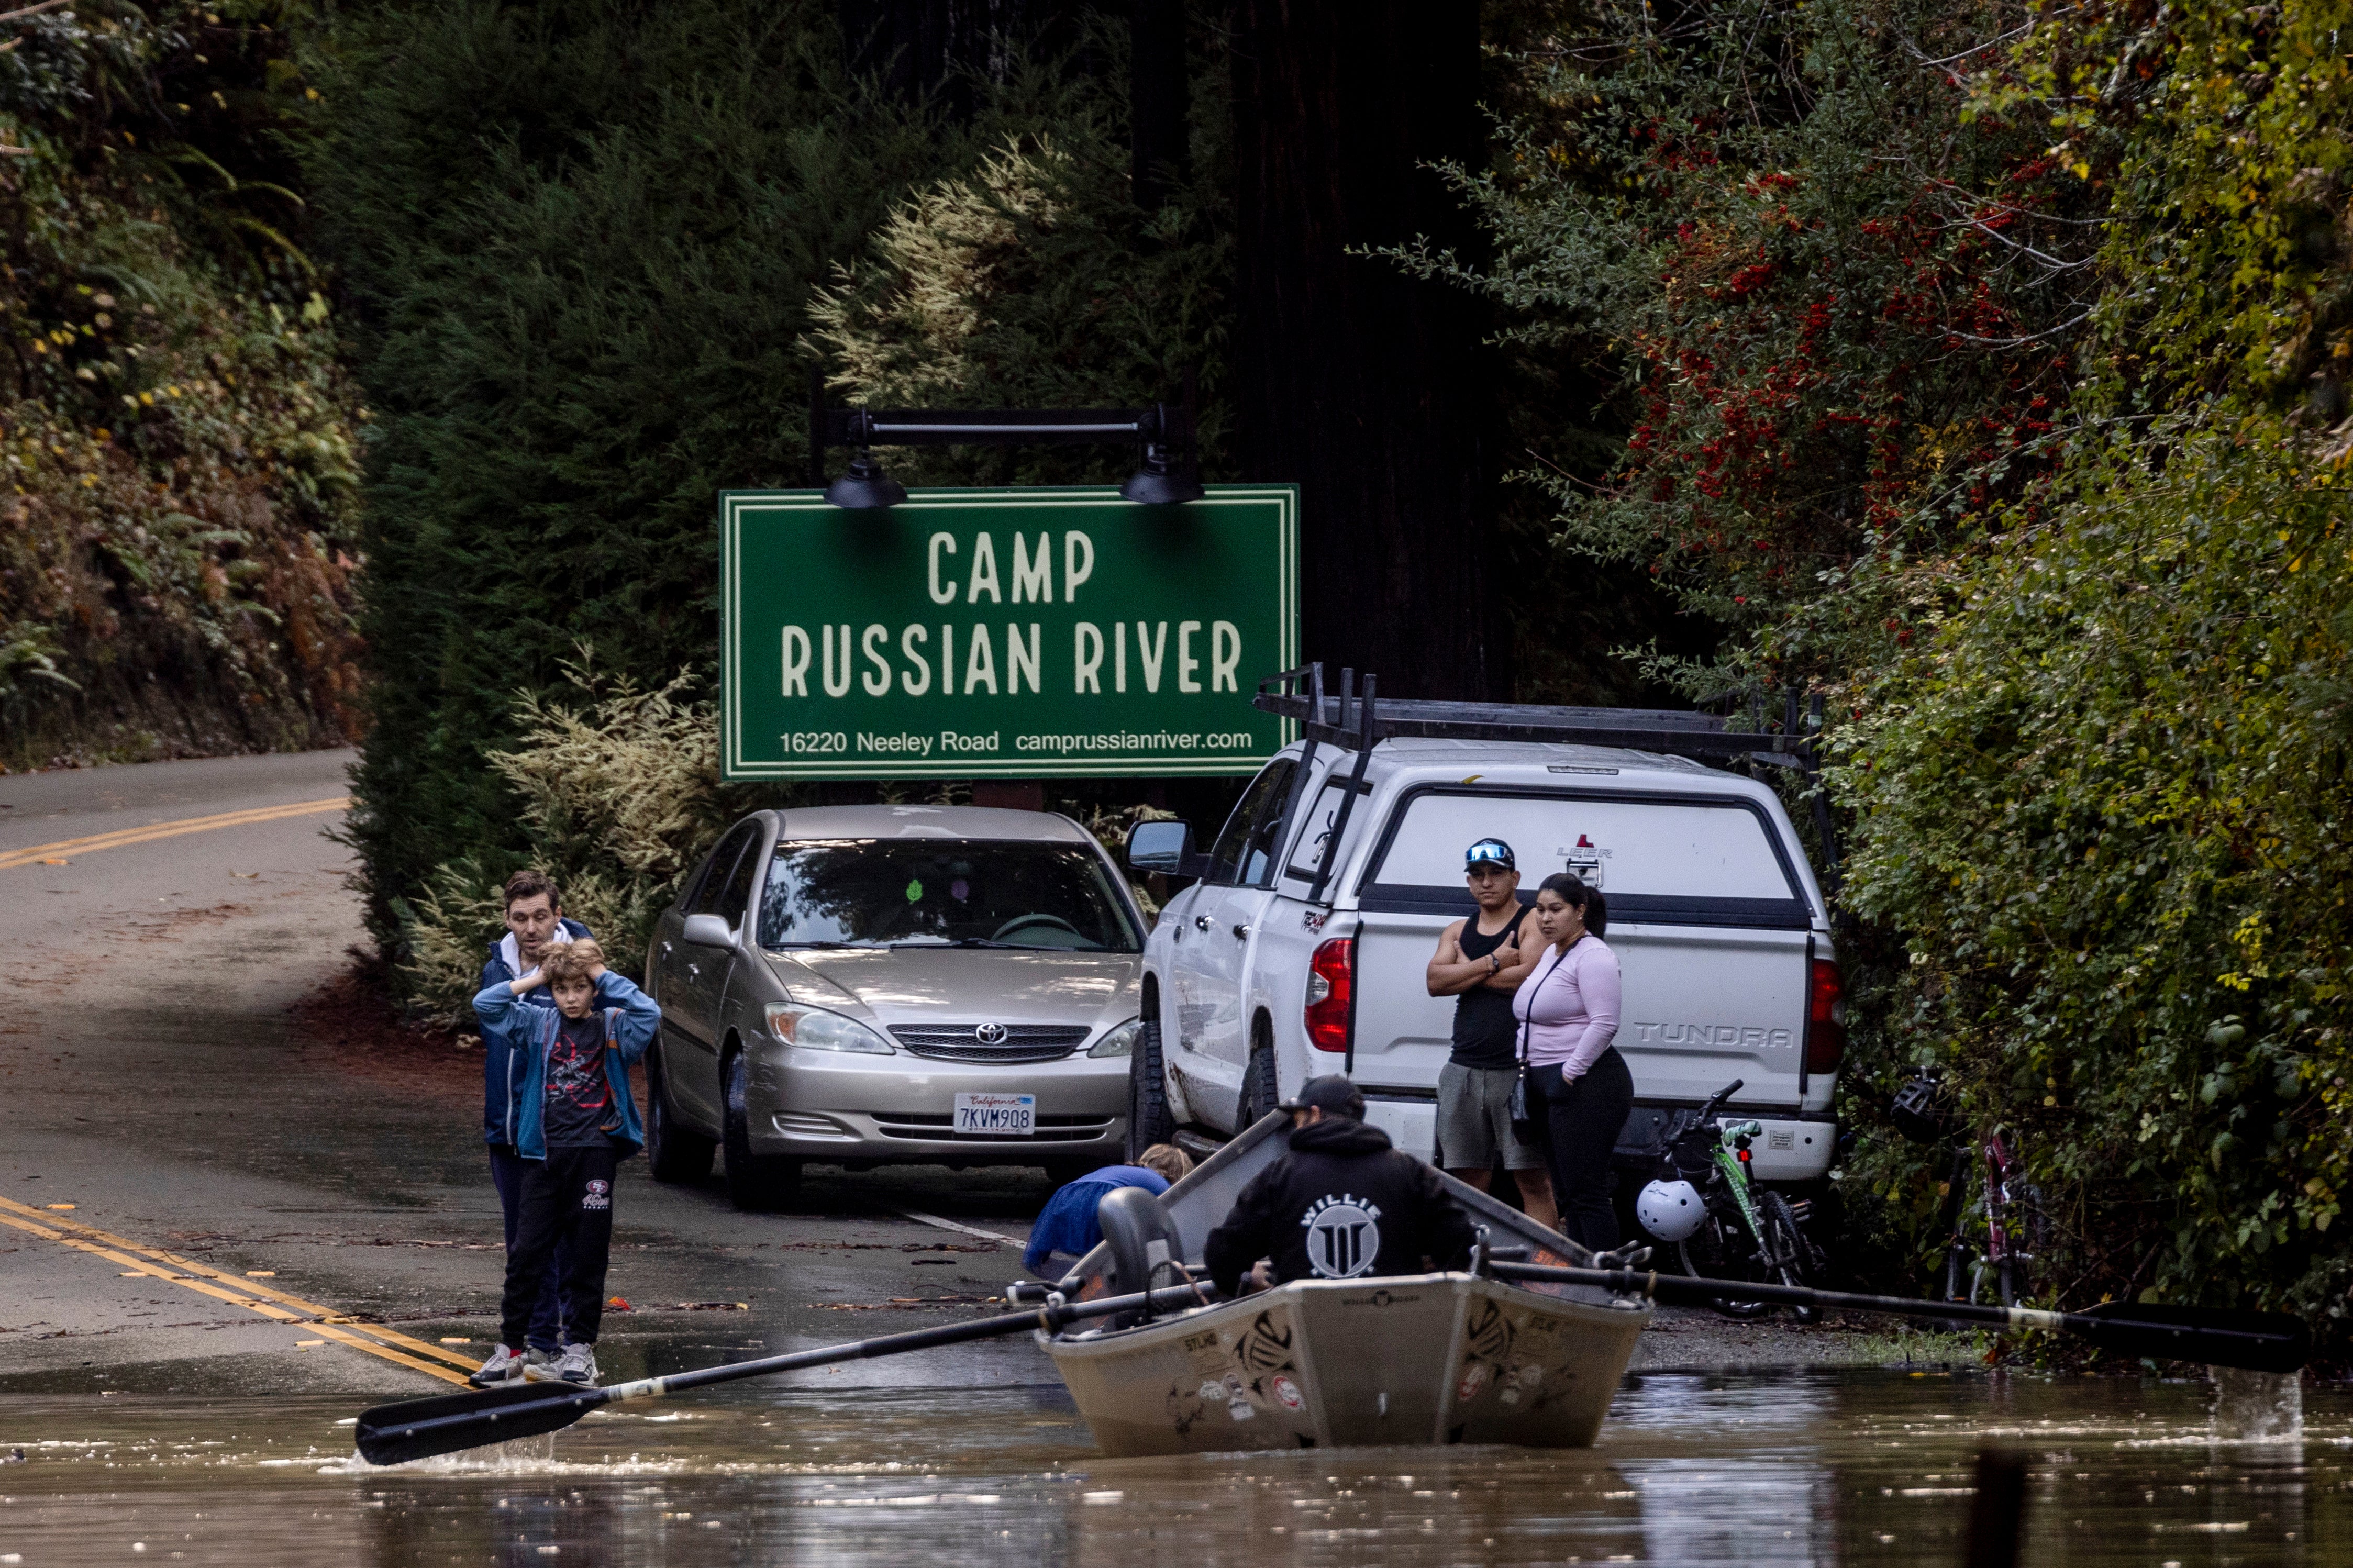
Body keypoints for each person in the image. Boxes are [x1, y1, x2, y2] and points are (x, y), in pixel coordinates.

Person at [469, 938, 659, 1387]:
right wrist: (538, 975)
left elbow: (649, 1012)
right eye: (561, 989)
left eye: (580, 988)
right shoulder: (538, 1023)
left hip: (594, 1155)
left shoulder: (614, 1026)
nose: (571, 998)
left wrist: (599, 972)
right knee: (526, 1254)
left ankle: (578, 1350)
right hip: (544, 1155)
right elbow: (486, 1004)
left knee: (586, 1256)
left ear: (594, 989)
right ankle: (511, 1349)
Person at [476, 869, 594, 1378]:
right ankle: (536, 1346)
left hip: (562, 1133)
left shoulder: (581, 970)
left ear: (558, 914)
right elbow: (490, 1022)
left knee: (569, 1244)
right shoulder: (495, 969)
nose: (531, 928)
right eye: (520, 917)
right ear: (507, 918)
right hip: (507, 1130)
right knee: (524, 1247)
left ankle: (574, 1347)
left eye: (541, 916)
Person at [1204, 1076, 1477, 1296]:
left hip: (1303, 1333)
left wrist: (1245, 1281)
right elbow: (1461, 1244)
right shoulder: (1409, 1171)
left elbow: (1221, 1254)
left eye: (1297, 1120)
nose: (1295, 1129)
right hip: (1395, 1328)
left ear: (1314, 1114)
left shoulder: (1278, 1176)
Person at [1424, 837, 1558, 1231]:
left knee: (1533, 1180)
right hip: (1463, 1070)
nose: (1487, 882)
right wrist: (1493, 961)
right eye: (1478, 875)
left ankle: (1547, 1265)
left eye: (1496, 874)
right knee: (1468, 1183)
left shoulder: (1532, 922)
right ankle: (1471, 1260)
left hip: (1517, 1072)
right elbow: (1434, 981)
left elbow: (1528, 977)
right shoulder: (1457, 929)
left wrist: (1466, 971)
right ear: (1469, 882)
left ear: (1515, 878)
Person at [1512, 873, 1632, 1253]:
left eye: (1556, 910)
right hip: (1544, 1079)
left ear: (1580, 911)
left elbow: (1605, 1023)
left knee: (1586, 1191)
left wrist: (1569, 1074)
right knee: (1566, 1191)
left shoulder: (1594, 955)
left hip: (1586, 1081)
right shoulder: (1553, 952)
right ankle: (1581, 1276)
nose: (1545, 918)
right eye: (1540, 909)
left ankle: (1603, 1280)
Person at [1021, 1144, 1194, 1276]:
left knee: (1085, 1259)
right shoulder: (1161, 1186)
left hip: (1065, 1195)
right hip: (1104, 1198)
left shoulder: (1125, 1170)